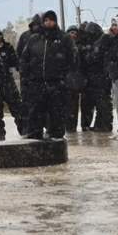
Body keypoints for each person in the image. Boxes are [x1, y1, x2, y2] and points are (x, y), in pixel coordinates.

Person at [20, 10, 77, 140]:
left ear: (55, 21)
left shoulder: (64, 38)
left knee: (56, 113)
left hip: (57, 83)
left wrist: (64, 76)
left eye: (51, 20)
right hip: (37, 83)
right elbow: (24, 59)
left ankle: (56, 141)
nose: (48, 22)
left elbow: (73, 59)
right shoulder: (34, 39)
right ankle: (34, 139)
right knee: (36, 112)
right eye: (46, 20)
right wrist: (27, 76)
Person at [0, 28, 27, 136]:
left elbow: (16, 62)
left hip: (7, 82)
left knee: (17, 108)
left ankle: (24, 130)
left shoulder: (8, 48)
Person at [79, 22, 113, 132]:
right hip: (95, 78)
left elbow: (93, 58)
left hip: (99, 78)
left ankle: (103, 124)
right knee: (99, 103)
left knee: (102, 103)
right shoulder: (95, 43)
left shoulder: (100, 43)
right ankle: (100, 124)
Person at [64, 25, 84, 132]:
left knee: (74, 106)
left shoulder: (79, 48)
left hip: (75, 82)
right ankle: (68, 126)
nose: (73, 35)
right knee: (68, 106)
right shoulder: (63, 47)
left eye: (75, 33)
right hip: (66, 81)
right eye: (71, 33)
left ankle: (72, 126)